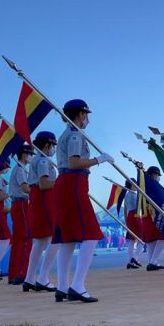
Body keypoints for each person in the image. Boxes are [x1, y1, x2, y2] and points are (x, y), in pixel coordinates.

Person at [53, 99, 113, 303]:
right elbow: (74, 162)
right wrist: (99, 160)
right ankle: (77, 285)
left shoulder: (67, 134)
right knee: (92, 234)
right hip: (73, 182)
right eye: (85, 114)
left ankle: (62, 287)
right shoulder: (75, 135)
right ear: (80, 115)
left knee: (68, 239)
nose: (87, 119)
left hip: (66, 183)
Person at [23, 131, 60, 293]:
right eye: (52, 146)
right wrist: (61, 182)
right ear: (47, 145)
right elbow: (44, 184)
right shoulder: (44, 160)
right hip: (45, 199)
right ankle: (43, 278)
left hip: (37, 199)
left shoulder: (36, 160)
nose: (53, 149)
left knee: (39, 242)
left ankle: (29, 278)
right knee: (55, 239)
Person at [7, 145, 34, 285]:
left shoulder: (18, 169)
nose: (32, 157)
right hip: (22, 204)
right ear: (24, 155)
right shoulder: (20, 169)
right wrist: (37, 191)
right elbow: (25, 188)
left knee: (18, 240)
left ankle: (13, 274)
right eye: (30, 154)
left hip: (17, 205)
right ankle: (21, 274)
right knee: (25, 239)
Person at [141, 166, 164, 271]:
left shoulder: (145, 184)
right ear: (153, 174)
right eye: (157, 175)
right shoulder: (152, 185)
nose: (158, 177)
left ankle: (152, 261)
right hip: (154, 214)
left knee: (151, 239)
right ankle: (153, 261)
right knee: (163, 236)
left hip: (147, 214)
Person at [123, 179, 143, 269]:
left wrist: (127, 221)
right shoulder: (134, 195)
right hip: (136, 215)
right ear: (131, 185)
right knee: (141, 239)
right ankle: (134, 258)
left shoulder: (126, 195)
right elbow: (139, 206)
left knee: (132, 240)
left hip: (130, 216)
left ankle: (131, 260)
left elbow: (125, 210)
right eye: (135, 184)